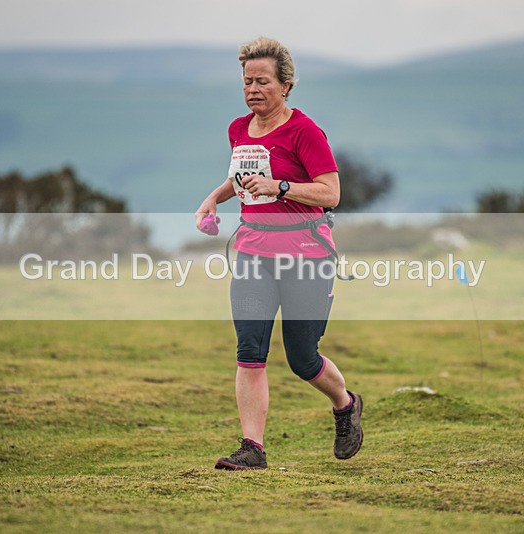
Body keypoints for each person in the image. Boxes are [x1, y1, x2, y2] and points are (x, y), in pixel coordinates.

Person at [195, 36, 363, 470]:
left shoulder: (305, 131)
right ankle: (253, 448)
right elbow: (241, 177)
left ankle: (344, 405)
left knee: (302, 358)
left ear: (286, 85)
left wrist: (281, 187)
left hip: (306, 255)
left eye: (262, 81)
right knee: (250, 349)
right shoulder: (238, 129)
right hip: (254, 251)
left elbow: (331, 193)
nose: (253, 89)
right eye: (247, 81)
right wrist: (214, 197)